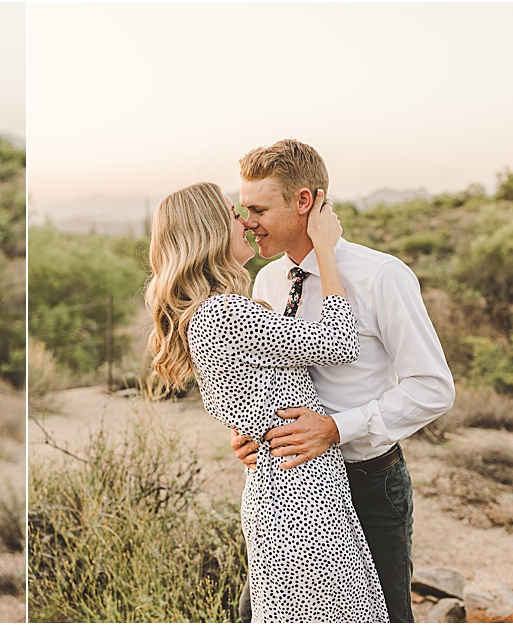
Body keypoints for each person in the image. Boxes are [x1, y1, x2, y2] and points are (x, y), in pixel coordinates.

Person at [231, 138, 455, 622]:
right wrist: (245, 430)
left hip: (367, 483)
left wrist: (336, 429)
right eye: (243, 209)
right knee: (257, 614)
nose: (247, 222)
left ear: (304, 202)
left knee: (387, 615)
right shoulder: (266, 281)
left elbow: (433, 387)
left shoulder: (381, 275)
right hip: (285, 488)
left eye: (258, 208)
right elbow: (262, 375)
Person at [146, 181, 388, 622]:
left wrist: (249, 432)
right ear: (210, 229)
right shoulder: (224, 313)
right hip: (300, 496)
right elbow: (338, 342)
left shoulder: (221, 310)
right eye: (232, 212)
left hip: (288, 485)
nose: (244, 220)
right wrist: (326, 249)